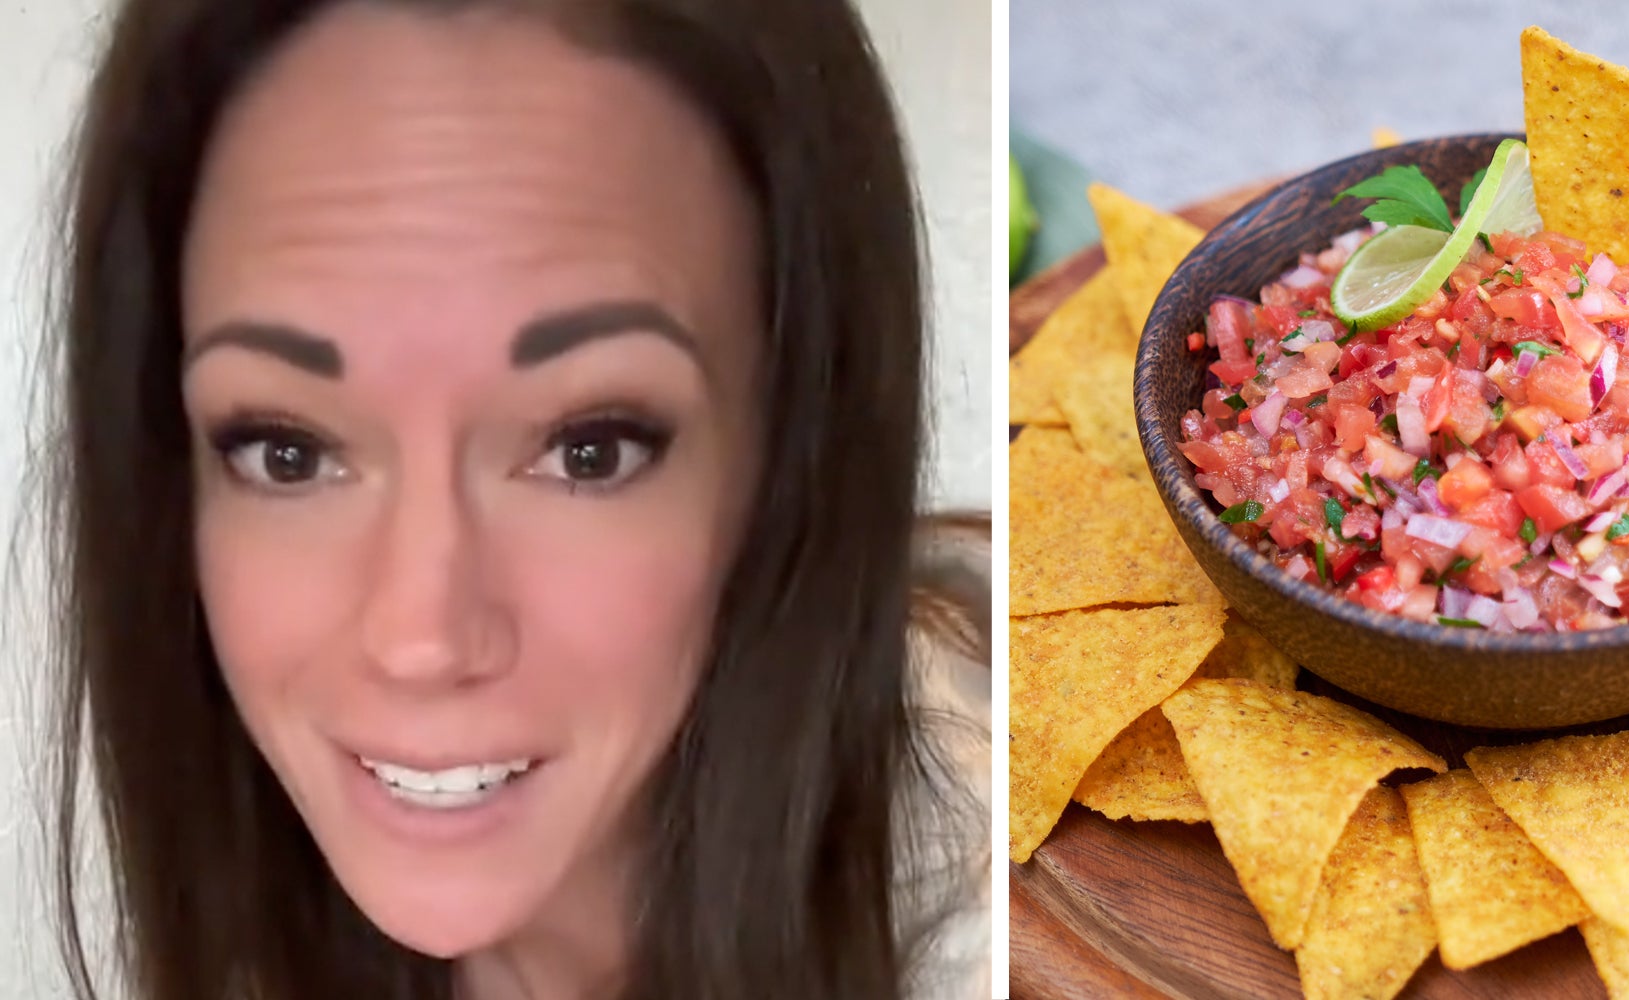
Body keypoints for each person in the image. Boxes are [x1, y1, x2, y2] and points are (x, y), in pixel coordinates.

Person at [26, 1, 989, 997]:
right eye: (286, 452)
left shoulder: (1002, 914)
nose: (421, 638)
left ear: (791, 447)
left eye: (587, 450)